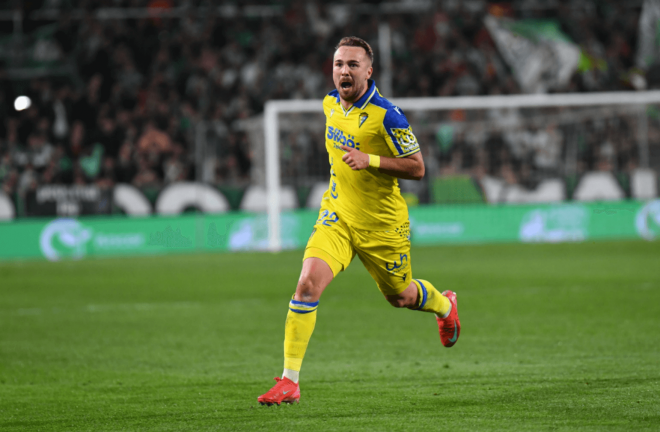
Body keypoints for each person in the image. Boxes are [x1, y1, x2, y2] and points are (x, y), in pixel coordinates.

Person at [258, 36, 461, 406]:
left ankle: (445, 306)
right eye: (338, 64)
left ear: (369, 71)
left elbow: (418, 167)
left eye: (352, 64)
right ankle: (289, 381)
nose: (344, 71)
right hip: (336, 217)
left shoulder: (388, 116)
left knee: (400, 297)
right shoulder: (329, 104)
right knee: (306, 287)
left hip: (382, 226)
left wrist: (372, 160)